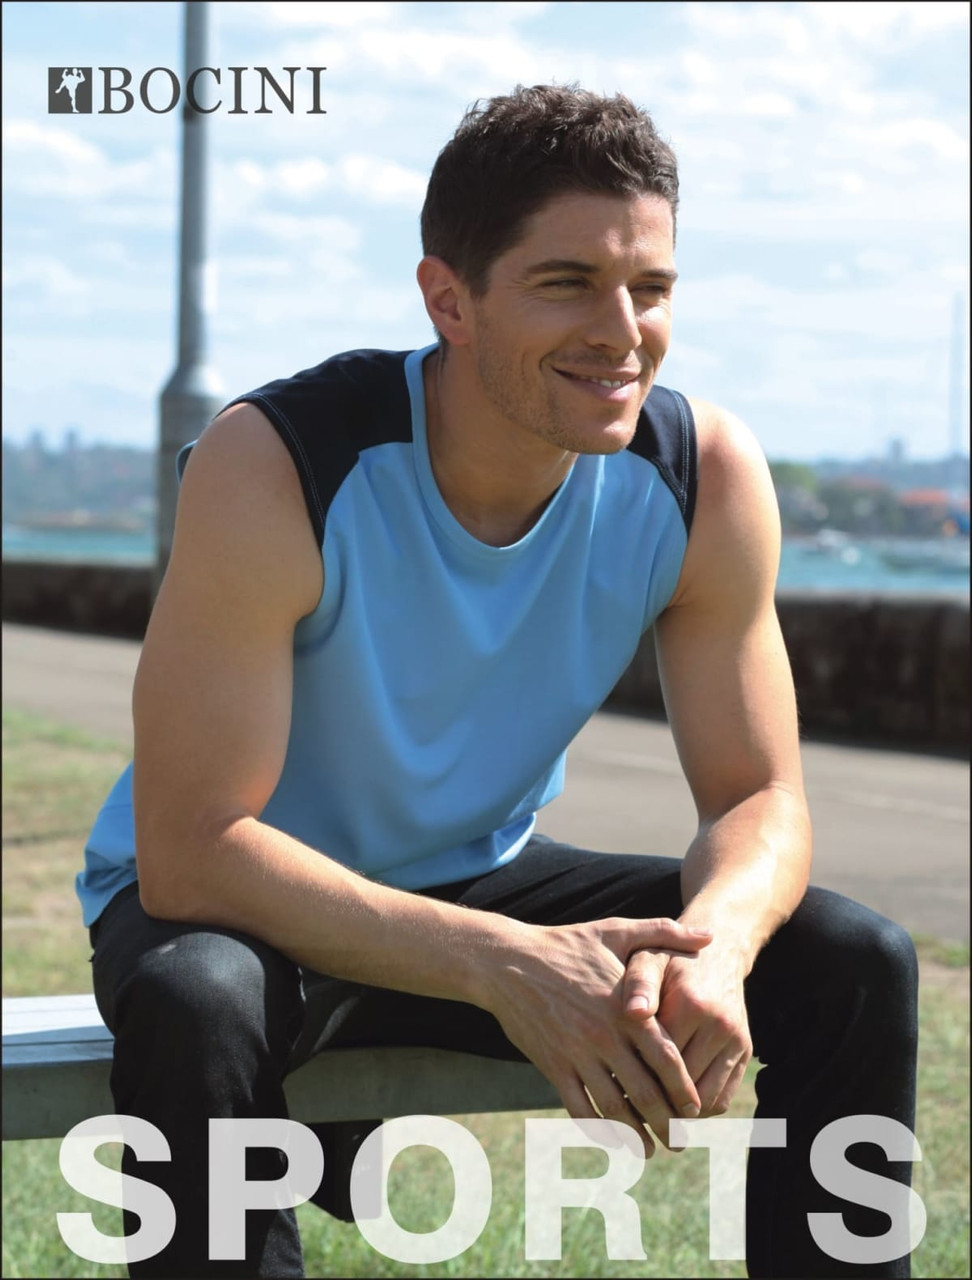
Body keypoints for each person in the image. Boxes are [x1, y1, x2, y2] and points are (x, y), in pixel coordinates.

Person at [78, 84, 918, 1279]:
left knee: (850, 956)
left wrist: (718, 949)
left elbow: (759, 798)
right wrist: (502, 960)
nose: (623, 330)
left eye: (653, 287)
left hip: (473, 874)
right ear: (447, 300)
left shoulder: (703, 475)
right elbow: (192, 846)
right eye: (566, 282)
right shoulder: (278, 461)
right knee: (197, 997)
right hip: (242, 901)